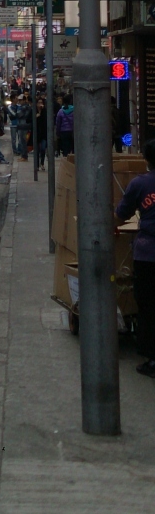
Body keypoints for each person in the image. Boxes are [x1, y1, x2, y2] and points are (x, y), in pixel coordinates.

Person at [116, 136, 155, 377]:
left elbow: (122, 213)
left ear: (147, 159)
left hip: (148, 255)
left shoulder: (140, 184)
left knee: (149, 306)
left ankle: (152, 357)